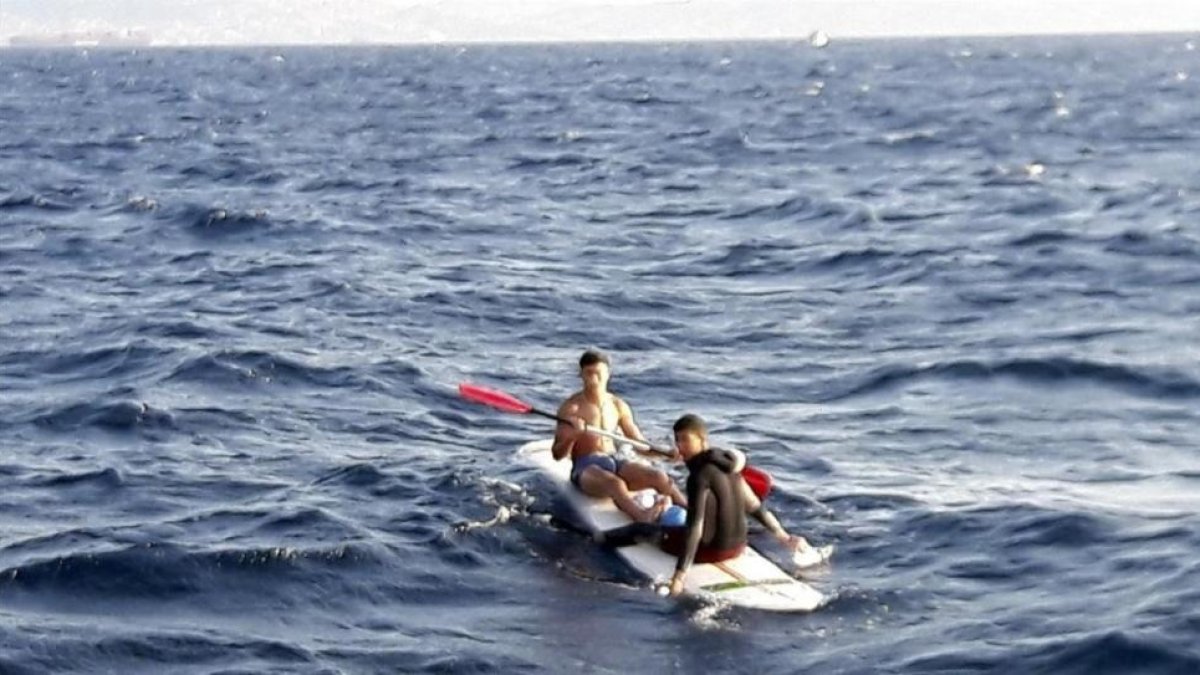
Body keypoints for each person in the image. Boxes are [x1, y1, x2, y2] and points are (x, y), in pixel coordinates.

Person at [595, 413, 814, 596]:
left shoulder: (699, 476)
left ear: (702, 440)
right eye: (677, 440)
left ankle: (595, 538)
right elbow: (755, 507)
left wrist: (679, 576)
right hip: (739, 547)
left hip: (711, 551)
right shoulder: (731, 469)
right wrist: (784, 536)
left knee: (640, 530)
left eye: (686, 440)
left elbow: (695, 527)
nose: (680, 446)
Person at [552, 349, 686, 523]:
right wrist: (572, 436)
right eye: (588, 374)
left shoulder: (618, 405)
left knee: (659, 477)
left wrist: (666, 454)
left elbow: (639, 445)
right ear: (581, 375)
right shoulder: (571, 408)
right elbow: (557, 454)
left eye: (598, 373)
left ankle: (691, 510)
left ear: (608, 374)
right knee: (615, 484)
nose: (594, 379)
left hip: (614, 461)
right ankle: (642, 517)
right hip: (585, 468)